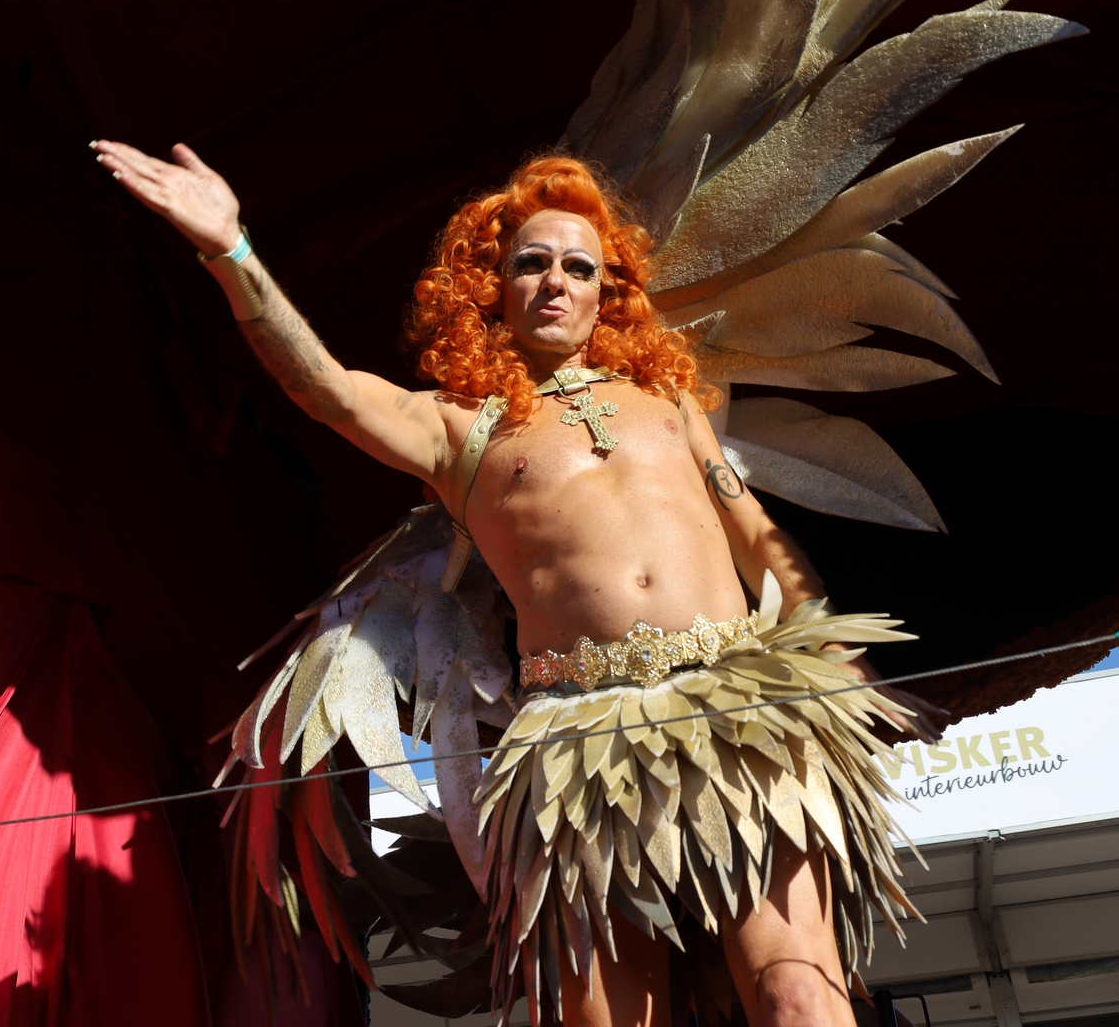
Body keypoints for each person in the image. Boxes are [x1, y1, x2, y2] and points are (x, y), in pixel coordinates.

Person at [93, 140, 938, 1027]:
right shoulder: (456, 428)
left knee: (797, 993)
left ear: (608, 290)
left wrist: (835, 649)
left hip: (741, 706)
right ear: (490, 285)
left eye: (580, 267)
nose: (555, 282)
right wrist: (232, 252)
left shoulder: (671, 402)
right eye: (531, 263)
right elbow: (328, 392)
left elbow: (758, 538)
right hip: (579, 743)